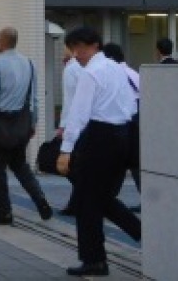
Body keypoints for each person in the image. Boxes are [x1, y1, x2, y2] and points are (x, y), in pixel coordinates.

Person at [57, 27, 140, 277]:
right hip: (123, 136)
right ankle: (140, 233)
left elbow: (78, 114)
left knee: (87, 201)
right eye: (73, 48)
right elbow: (129, 105)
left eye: (79, 48)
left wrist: (66, 150)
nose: (76, 54)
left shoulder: (91, 73)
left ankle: (95, 259)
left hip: (99, 137)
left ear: (94, 45)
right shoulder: (116, 69)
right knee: (99, 197)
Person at [0, 27, 53, 225]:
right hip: (21, 123)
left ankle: (4, 212)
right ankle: (40, 200)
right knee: (20, 166)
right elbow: (34, 97)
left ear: (1, 42)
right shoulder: (29, 63)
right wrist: (34, 121)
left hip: (0, 123)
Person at [102, 42, 142, 208]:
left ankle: (108, 199)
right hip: (137, 122)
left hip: (122, 123)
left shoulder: (112, 74)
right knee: (134, 164)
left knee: (117, 164)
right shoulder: (133, 73)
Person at [58, 47, 83, 216]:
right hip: (86, 123)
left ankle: (78, 201)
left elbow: (69, 101)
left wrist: (63, 125)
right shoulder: (82, 68)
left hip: (74, 124)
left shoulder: (70, 69)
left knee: (71, 166)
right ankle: (76, 202)